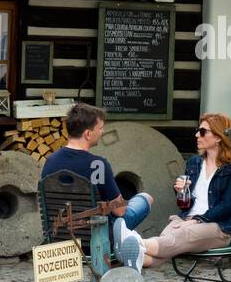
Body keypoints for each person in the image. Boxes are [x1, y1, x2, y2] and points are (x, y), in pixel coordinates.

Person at [40, 103, 152, 269]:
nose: (103, 132)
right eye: (100, 128)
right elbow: (120, 211)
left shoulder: (50, 162)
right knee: (145, 199)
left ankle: (133, 245)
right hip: (96, 239)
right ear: (88, 133)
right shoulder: (97, 165)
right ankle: (129, 245)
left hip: (62, 241)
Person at [133, 113, 231, 268]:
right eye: (198, 130)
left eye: (203, 131)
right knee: (167, 242)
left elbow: (227, 206)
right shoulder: (194, 162)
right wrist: (181, 192)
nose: (197, 135)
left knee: (176, 239)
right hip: (186, 220)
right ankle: (130, 255)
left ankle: (132, 242)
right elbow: (184, 205)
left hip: (217, 227)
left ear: (219, 137)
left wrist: (196, 220)